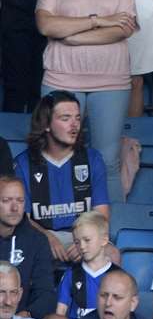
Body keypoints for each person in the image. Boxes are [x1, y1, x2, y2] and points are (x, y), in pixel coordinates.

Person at [30, 0, 132, 210]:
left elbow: (123, 29)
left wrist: (72, 34)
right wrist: (98, 20)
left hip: (111, 81)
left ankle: (113, 237)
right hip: (61, 78)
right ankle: (56, 223)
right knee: (56, 155)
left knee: (107, 160)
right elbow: (46, 26)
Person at [15, 94, 109, 250]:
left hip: (84, 236)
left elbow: (102, 214)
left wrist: (85, 241)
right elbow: (21, 218)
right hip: (39, 236)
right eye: (65, 119)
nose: (74, 126)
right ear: (46, 125)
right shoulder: (23, 164)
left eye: (78, 119)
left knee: (112, 254)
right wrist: (46, 237)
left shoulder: (92, 159)